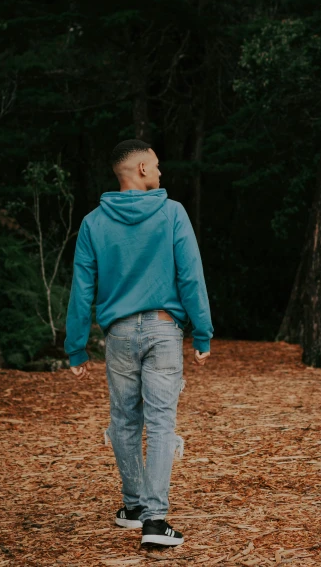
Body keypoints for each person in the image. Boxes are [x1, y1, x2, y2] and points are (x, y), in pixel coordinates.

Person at [64, 139, 213, 548]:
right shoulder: (173, 214)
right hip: (165, 331)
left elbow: (82, 290)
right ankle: (155, 521)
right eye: (158, 166)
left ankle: (132, 508)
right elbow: (190, 277)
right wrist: (202, 332)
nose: (162, 173)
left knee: (125, 420)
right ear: (143, 169)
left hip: (119, 335)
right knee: (161, 421)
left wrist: (76, 346)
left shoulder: (94, 223)